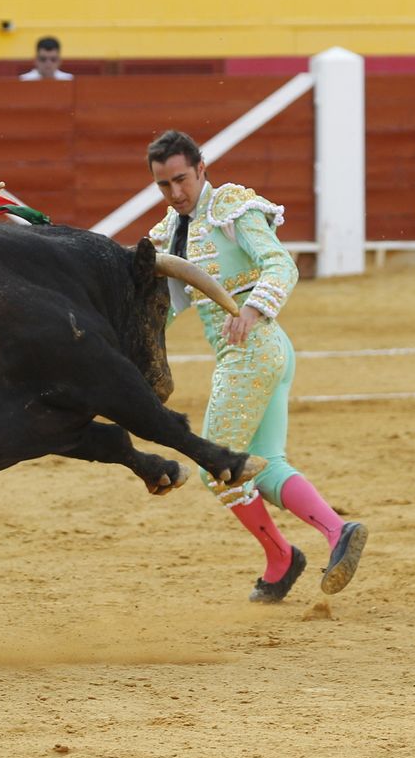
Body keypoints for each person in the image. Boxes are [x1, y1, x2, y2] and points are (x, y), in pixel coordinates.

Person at [144, 130, 368, 604]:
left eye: (182, 179)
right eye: (164, 185)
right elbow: (160, 305)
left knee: (216, 467)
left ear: (201, 169)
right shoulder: (168, 232)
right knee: (265, 466)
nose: (175, 192)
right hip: (265, 353)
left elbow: (280, 264)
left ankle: (283, 557)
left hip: (253, 347)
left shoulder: (231, 209)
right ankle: (336, 531)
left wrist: (251, 310)